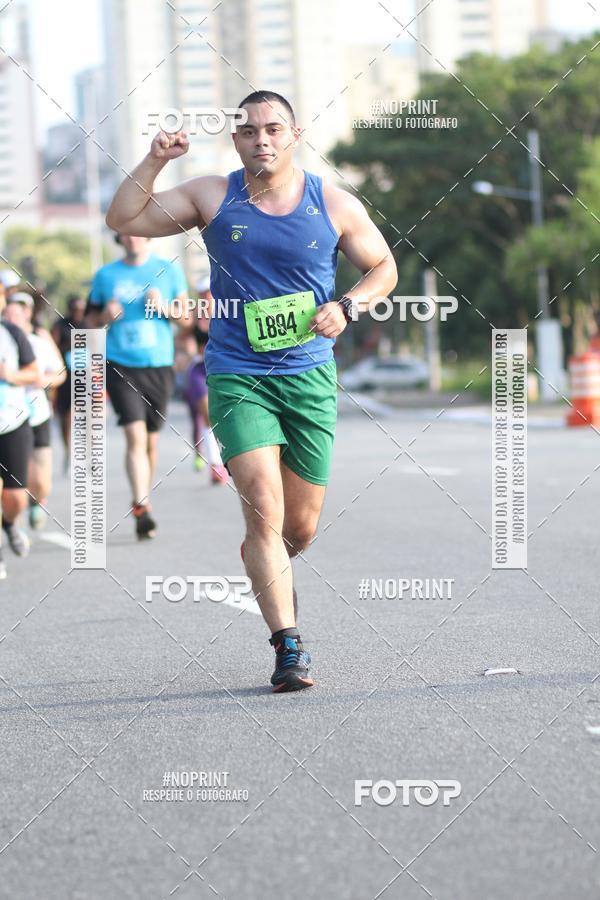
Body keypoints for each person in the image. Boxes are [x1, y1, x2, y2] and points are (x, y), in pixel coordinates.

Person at [106, 89, 397, 690]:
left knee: (299, 530)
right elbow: (124, 219)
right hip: (239, 372)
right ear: (235, 140)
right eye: (248, 131)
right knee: (263, 505)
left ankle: (264, 559)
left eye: (273, 129)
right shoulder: (212, 195)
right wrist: (155, 159)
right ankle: (288, 647)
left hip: (310, 375)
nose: (261, 139)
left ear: (294, 135)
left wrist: (348, 305)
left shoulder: (333, 202)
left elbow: (384, 268)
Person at [86, 234, 187, 539]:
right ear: (118, 238)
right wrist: (106, 316)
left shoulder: (168, 270)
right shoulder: (105, 275)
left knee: (150, 442)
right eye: (125, 234)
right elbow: (89, 323)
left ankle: (144, 498)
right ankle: (141, 506)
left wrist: (164, 308)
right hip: (120, 364)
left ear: (147, 236)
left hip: (158, 364)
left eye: (137, 233)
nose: (131, 238)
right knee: (135, 435)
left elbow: (186, 319)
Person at [3, 292, 66, 529]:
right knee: (12, 480)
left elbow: (60, 373)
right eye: (8, 313)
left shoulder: (39, 341)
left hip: (36, 413)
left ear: (26, 315)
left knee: (40, 481)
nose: (12, 318)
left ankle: (36, 501)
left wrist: (43, 380)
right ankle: (10, 520)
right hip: (8, 415)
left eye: (17, 313)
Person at [0, 287, 39, 578]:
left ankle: (10, 523)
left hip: (13, 419)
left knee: (16, 498)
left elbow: (34, 374)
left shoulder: (11, 333)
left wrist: (10, 376)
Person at [52, 294, 87, 472]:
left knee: (83, 415)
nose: (78, 313)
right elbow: (53, 347)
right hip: (65, 377)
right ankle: (69, 450)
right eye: (75, 310)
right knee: (65, 417)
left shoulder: (88, 324)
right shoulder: (60, 325)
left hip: (85, 376)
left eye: (81, 310)